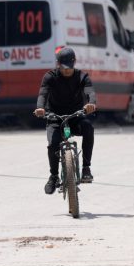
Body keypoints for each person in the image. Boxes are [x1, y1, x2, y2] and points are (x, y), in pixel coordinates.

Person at [34, 47, 97, 194]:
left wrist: (91, 103)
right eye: (63, 68)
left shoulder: (82, 76)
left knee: (89, 128)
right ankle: (54, 176)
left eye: (69, 67)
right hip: (54, 117)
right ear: (58, 64)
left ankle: (86, 168)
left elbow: (90, 92)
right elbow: (43, 94)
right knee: (53, 144)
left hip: (75, 117)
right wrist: (40, 108)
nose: (66, 71)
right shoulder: (50, 77)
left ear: (74, 62)